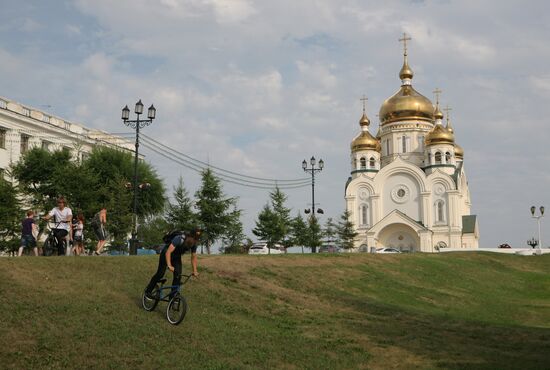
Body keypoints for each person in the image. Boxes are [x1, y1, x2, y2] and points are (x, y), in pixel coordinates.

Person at [145, 228, 201, 298]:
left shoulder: (194, 244)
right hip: (166, 253)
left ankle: (172, 297)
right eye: (194, 238)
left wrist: (195, 270)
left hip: (176, 256)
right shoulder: (180, 239)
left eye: (197, 239)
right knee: (160, 274)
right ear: (190, 236)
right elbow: (168, 252)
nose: (195, 241)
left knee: (178, 275)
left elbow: (193, 257)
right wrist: (169, 265)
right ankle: (148, 291)